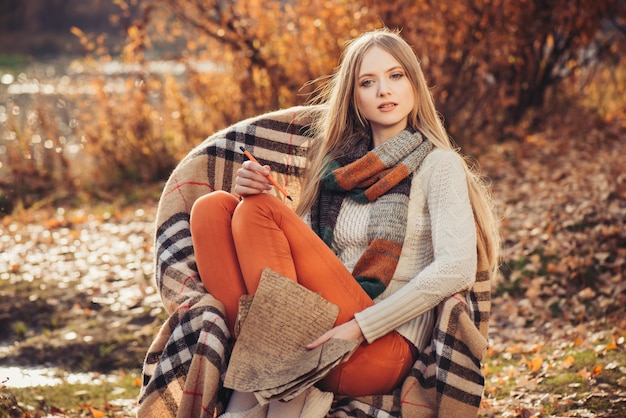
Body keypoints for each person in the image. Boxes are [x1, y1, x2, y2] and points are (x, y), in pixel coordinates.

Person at [189, 28, 499, 416]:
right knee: (214, 208)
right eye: (367, 82)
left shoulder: (439, 165)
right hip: (315, 328)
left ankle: (263, 396)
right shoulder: (336, 167)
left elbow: (457, 267)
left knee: (257, 211)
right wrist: (257, 192)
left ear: (414, 83)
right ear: (354, 98)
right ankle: (278, 386)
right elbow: (286, 259)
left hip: (377, 345)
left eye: (395, 76)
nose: (384, 90)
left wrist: (360, 327)